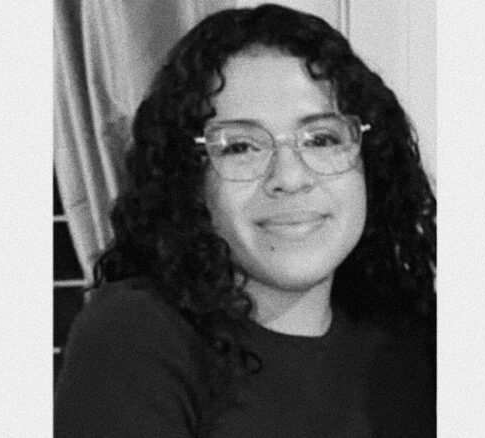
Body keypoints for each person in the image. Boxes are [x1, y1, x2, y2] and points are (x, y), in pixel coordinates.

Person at [54, 4, 436, 437]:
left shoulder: (412, 343)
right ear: (188, 177)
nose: (290, 178)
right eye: (240, 147)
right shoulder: (136, 335)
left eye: (322, 138)